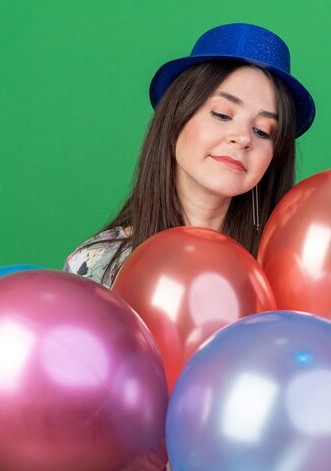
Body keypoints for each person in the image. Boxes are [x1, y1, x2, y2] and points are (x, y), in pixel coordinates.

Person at [64, 22, 316, 288]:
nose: (243, 137)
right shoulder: (97, 267)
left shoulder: (285, 273)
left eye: (263, 131)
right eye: (222, 114)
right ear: (176, 118)